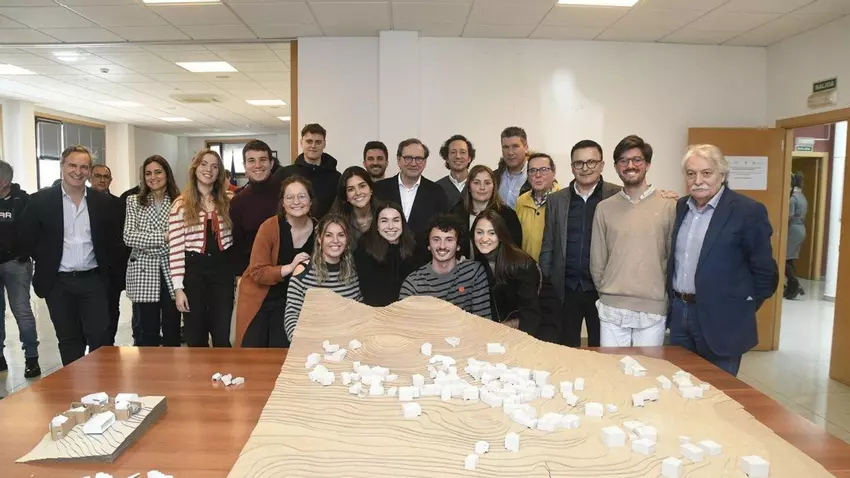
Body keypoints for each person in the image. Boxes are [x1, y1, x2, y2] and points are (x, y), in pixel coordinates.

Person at [668, 144, 778, 376]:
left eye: (706, 173)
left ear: (722, 174)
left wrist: (741, 307)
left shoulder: (747, 211)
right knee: (680, 385)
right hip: (680, 313)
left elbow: (765, 272)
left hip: (723, 319)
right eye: (691, 173)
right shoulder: (681, 207)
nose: (698, 180)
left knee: (719, 390)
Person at [20, 145, 119, 366]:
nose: (78, 171)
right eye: (72, 165)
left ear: (89, 171)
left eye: (84, 167)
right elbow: (26, 239)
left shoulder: (102, 203)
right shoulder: (40, 201)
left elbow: (112, 243)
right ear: (62, 166)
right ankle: (74, 385)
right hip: (58, 283)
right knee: (69, 340)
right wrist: (47, 258)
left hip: (93, 280)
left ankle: (102, 383)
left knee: (101, 337)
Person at [590, 135, 676, 347]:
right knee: (611, 366)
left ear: (647, 164)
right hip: (612, 308)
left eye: (637, 160)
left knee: (648, 367)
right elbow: (597, 259)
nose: (630, 166)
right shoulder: (604, 208)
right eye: (623, 161)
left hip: (652, 309)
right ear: (616, 167)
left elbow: (672, 258)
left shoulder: (669, 205)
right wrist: (607, 291)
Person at [540, 140, 620, 347]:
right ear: (572, 167)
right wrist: (547, 282)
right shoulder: (556, 200)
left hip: (603, 290)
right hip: (567, 289)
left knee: (602, 348)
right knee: (566, 348)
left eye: (591, 162)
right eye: (579, 163)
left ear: (602, 165)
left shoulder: (617, 195)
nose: (585, 168)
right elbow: (548, 244)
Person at [236, 176, 316, 347]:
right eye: (289, 197)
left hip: (295, 303)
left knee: (283, 350)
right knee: (251, 352)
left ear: (310, 201)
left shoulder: (320, 231)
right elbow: (257, 272)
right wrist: (289, 267)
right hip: (261, 298)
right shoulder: (269, 227)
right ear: (283, 203)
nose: (296, 202)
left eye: (302, 196)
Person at [168, 149, 235, 348]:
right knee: (196, 335)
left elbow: (235, 240)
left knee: (222, 333)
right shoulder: (180, 205)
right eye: (204, 164)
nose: (209, 170)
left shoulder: (229, 201)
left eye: (214, 166)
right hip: (194, 273)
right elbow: (176, 249)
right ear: (195, 168)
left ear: (219, 172)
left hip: (222, 273)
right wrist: (178, 288)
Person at [124, 155, 182, 347]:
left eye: (158, 172)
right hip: (143, 273)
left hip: (172, 270)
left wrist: (147, 240)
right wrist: (164, 237)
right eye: (148, 173)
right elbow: (129, 237)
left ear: (167, 174)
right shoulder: (134, 201)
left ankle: (172, 366)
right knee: (147, 332)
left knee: (172, 329)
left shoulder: (179, 201)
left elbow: (181, 237)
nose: (153, 177)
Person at [472, 209, 554, 337]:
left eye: (492, 233)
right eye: (479, 232)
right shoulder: (480, 260)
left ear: (501, 235)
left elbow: (530, 313)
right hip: (514, 323)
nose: (484, 238)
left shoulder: (520, 264)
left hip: (543, 319)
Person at [284, 214, 362, 341]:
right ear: (320, 239)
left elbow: (359, 312)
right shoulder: (303, 270)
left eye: (341, 235)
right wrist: (302, 343)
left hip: (346, 343)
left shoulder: (352, 271)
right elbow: (292, 315)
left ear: (347, 240)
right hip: (311, 343)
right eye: (328, 235)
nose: (335, 240)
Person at [400, 214, 491, 319]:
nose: (442, 246)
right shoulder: (413, 283)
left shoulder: (473, 272)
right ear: (428, 245)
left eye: (449, 240)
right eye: (436, 240)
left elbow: (483, 322)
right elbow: (403, 325)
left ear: (458, 246)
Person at [0, 161, 41, 377]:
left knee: (22, 310)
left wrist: (25, 253)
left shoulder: (23, 200)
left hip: (16, 264)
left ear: (4, 182)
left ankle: (31, 358)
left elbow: (33, 230)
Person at [373, 138, 448, 246]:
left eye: (418, 159)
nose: (413, 163)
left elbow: (441, 229)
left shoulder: (437, 191)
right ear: (398, 160)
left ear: (424, 162)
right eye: (408, 158)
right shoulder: (379, 189)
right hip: (383, 252)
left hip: (422, 254)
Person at [354, 201, 427, 306]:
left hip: (410, 309)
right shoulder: (364, 250)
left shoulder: (415, 247)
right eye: (384, 221)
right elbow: (369, 293)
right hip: (377, 310)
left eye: (396, 220)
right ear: (377, 225)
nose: (390, 226)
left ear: (402, 223)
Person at [89, 163, 128, 345]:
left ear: (110, 180)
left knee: (111, 309)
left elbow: (123, 235)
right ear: (90, 178)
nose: (102, 180)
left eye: (106, 177)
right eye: (98, 176)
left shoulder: (118, 204)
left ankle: (108, 346)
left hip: (112, 269)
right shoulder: (82, 202)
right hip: (88, 269)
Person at [230, 140, 282, 276]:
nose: (257, 165)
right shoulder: (237, 202)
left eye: (263, 160)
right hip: (254, 273)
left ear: (271, 163)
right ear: (245, 165)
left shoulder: (286, 194)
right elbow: (238, 246)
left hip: (288, 270)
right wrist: (240, 277)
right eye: (251, 160)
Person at [450, 165, 522, 260]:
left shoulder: (508, 215)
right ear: (469, 187)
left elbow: (514, 250)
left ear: (494, 187)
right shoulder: (455, 213)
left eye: (487, 183)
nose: (482, 187)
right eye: (476, 183)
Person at [273, 123, 340, 219]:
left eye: (318, 142)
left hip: (326, 227)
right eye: (309, 141)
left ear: (324, 144)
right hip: (291, 227)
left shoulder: (336, 177)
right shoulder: (283, 174)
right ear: (301, 143)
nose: (313, 146)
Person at [515, 152, 560, 261]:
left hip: (553, 268)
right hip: (525, 265)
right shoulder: (521, 201)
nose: (538, 175)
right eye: (532, 170)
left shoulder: (562, 200)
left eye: (544, 170)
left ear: (553, 172)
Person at [331, 166, 377, 251]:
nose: (358, 193)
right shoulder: (336, 221)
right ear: (346, 196)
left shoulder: (384, 214)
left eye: (362, 186)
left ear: (371, 189)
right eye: (351, 189)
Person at [435, 134, 475, 210]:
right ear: (447, 158)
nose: (458, 156)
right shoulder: (436, 188)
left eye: (462, 152)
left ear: (469, 158)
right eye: (453, 152)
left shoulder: (479, 185)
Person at [495, 126, 530, 208]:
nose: (510, 152)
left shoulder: (538, 177)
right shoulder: (494, 177)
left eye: (515, 146)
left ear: (526, 148)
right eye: (506, 147)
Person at [785, 172, 807, 300]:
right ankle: (791, 287)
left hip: (794, 229)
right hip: (801, 229)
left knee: (784, 259)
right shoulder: (802, 197)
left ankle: (795, 285)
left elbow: (789, 216)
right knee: (790, 259)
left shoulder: (793, 198)